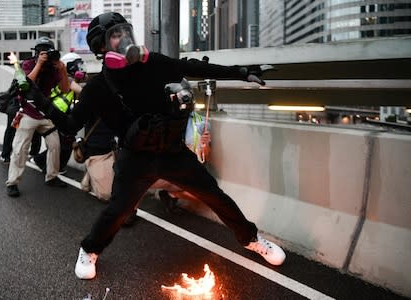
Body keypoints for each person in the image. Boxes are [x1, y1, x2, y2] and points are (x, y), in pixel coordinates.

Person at [23, 12, 285, 279]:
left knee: (214, 195)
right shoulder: (98, 87)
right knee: (118, 211)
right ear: (101, 46)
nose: (124, 39)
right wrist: (40, 101)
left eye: (126, 32)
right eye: (116, 35)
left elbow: (191, 67)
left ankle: (251, 239)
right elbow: (69, 124)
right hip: (135, 159)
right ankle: (88, 250)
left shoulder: (154, 64)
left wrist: (240, 72)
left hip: (172, 152)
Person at [5, 36, 69, 197]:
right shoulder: (28, 64)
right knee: (20, 149)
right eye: (42, 51)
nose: (45, 54)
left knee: (55, 145)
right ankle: (12, 183)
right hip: (27, 111)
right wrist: (39, 64)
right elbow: (25, 83)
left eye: (48, 51)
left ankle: (52, 177)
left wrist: (62, 70)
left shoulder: (55, 68)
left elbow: (66, 89)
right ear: (37, 52)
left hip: (44, 114)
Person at [32, 52, 86, 174]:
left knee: (63, 142)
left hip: (59, 114)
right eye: (77, 65)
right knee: (63, 143)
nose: (80, 68)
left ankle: (42, 162)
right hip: (55, 114)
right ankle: (46, 165)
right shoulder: (67, 79)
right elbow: (81, 91)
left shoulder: (68, 79)